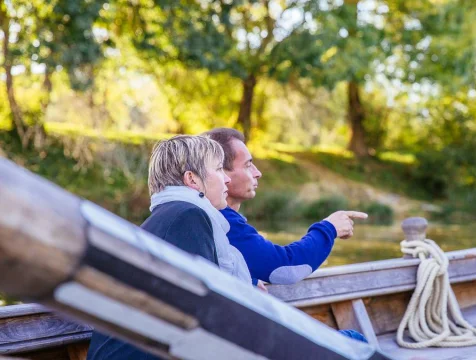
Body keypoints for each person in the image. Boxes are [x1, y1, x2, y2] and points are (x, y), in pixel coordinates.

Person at [87, 135, 252, 360]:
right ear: (192, 180)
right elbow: (202, 311)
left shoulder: (170, 216)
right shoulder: (188, 216)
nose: (227, 180)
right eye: (218, 169)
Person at [203, 128, 368, 286]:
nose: (257, 172)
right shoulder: (221, 220)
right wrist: (330, 228)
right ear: (220, 172)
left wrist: (247, 278)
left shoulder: (208, 212)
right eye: (248, 165)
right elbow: (285, 267)